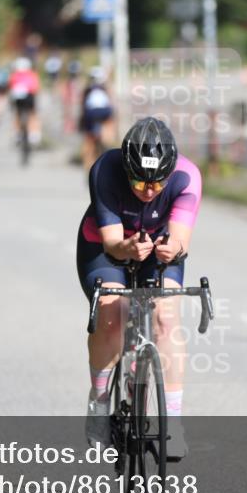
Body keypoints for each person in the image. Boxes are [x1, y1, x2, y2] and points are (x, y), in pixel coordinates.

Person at [77, 117, 202, 460]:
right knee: (113, 313)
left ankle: (172, 424)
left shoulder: (187, 178)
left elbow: (180, 241)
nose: (148, 190)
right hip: (106, 248)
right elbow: (112, 242)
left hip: (158, 250)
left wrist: (172, 250)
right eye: (139, 181)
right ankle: (99, 403)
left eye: (157, 183)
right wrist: (127, 250)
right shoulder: (105, 169)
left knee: (165, 317)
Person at [79, 66, 113, 170]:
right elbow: (111, 104)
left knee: (89, 141)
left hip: (90, 114)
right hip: (104, 112)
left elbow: (83, 107)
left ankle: (88, 166)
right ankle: (107, 144)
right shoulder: (105, 88)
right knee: (107, 131)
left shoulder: (87, 90)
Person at [7, 57, 41, 146]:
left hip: (18, 98)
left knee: (17, 114)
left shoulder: (14, 75)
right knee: (32, 113)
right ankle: (34, 133)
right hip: (29, 97)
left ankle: (17, 134)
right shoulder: (32, 74)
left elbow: (10, 86)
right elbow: (36, 88)